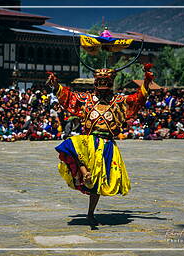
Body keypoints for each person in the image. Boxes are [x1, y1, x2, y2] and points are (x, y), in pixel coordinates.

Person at [46, 63, 154, 226]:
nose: (103, 85)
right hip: (89, 140)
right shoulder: (86, 99)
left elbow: (137, 99)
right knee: (71, 146)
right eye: (100, 81)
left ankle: (90, 211)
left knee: (97, 182)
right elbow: (68, 98)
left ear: (111, 83)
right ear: (95, 82)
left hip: (107, 144)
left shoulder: (119, 100)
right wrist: (55, 85)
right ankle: (84, 172)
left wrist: (146, 81)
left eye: (106, 81)